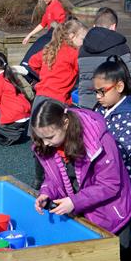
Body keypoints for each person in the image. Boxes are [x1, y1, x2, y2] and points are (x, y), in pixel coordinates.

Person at [31, 99, 131, 261]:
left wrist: (74, 201)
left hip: (112, 208)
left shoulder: (99, 141)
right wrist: (46, 193)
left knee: (121, 253)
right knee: (95, 257)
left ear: (65, 122)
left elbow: (110, 185)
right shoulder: (50, 144)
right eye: (41, 137)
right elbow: (52, 178)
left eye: (49, 137)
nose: (45, 143)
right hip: (83, 205)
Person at [28, 19, 84, 189]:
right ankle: (70, 181)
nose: (83, 43)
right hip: (58, 101)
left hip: (40, 99)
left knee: (40, 143)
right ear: (73, 36)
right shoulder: (73, 54)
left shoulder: (49, 49)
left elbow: (32, 62)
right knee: (64, 141)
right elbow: (83, 70)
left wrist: (45, 77)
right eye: (82, 38)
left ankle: (40, 179)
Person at [92, 57, 131, 207]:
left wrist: (90, 154)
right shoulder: (103, 109)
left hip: (127, 179)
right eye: (95, 92)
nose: (97, 96)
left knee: (122, 220)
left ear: (119, 87)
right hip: (109, 177)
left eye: (102, 91)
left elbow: (120, 151)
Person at [78, 7, 131, 110]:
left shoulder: (82, 49)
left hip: (86, 103)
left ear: (94, 26)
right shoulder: (120, 47)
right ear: (113, 27)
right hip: (113, 104)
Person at [21, 0, 67, 80]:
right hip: (49, 35)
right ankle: (31, 76)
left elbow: (62, 27)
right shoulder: (49, 7)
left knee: (34, 57)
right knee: (31, 56)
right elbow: (43, 24)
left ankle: (32, 73)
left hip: (54, 37)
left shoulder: (57, 8)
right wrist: (29, 35)